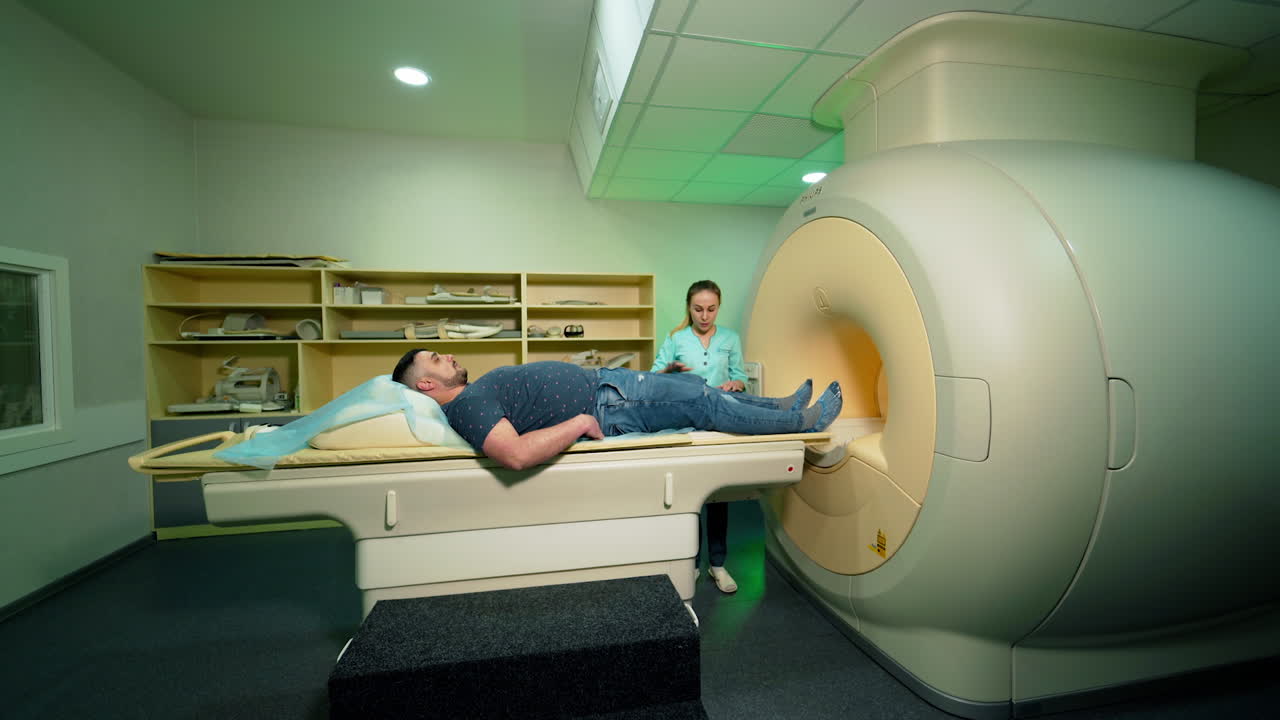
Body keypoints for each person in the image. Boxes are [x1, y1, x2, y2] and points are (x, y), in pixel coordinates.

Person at [390, 351, 841, 476]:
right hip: (608, 404)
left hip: (610, 388)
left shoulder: (472, 395)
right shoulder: (466, 408)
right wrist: (581, 423)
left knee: (699, 389)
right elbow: (514, 455)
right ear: (425, 385)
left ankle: (783, 405)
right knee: (702, 404)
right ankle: (803, 422)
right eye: (435, 359)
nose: (446, 356)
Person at [651, 280, 796, 594]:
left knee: (719, 496)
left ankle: (718, 564)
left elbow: (741, 377)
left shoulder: (730, 338)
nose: (704, 316)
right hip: (688, 421)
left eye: (711, 309)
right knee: (689, 498)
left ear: (719, 307)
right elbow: (653, 376)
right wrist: (669, 372)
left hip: (720, 422)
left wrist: (736, 384)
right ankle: (689, 565)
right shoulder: (676, 338)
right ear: (688, 308)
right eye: (698, 309)